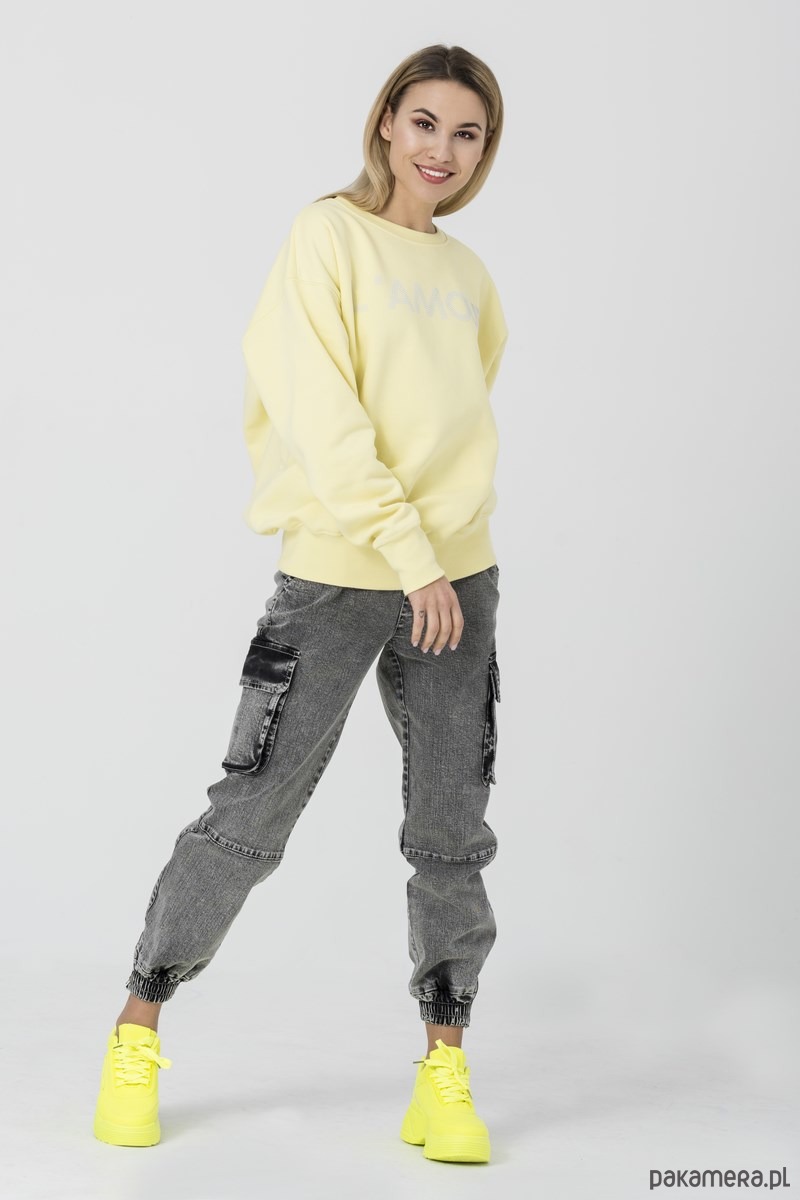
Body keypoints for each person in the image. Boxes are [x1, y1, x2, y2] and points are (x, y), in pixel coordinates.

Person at [93, 42, 508, 1165]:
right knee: (250, 814)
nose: (441, 150)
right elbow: (323, 418)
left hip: (457, 582)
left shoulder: (469, 276)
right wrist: (408, 553)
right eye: (424, 123)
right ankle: (137, 1026)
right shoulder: (325, 237)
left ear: (484, 151)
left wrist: (442, 559)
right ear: (385, 124)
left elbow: (460, 420)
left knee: (451, 831)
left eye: (467, 133)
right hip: (339, 575)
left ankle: (443, 1068)